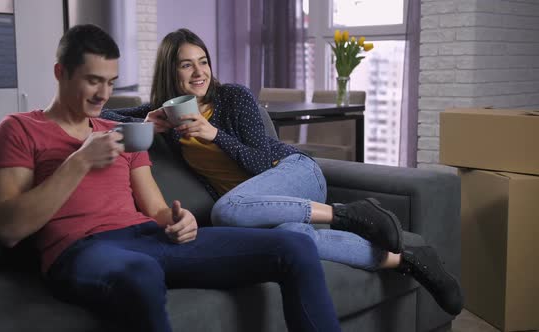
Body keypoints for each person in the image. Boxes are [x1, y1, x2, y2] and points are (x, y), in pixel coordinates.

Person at [0, 24, 343, 332]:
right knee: (140, 273)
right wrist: (79, 162)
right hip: (82, 249)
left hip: (149, 237)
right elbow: (9, 228)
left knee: (294, 248)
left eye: (110, 82)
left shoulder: (122, 131)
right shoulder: (18, 130)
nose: (104, 94)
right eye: (93, 81)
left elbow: (154, 207)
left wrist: (177, 219)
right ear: (60, 72)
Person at [101, 28, 464, 316]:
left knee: (225, 211)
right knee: (296, 240)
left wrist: (215, 135)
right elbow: (103, 117)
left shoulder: (234, 98)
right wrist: (146, 120)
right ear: (171, 71)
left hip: (295, 173)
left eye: (203, 61)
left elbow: (262, 162)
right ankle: (410, 260)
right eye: (186, 64)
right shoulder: (167, 111)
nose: (199, 72)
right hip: (264, 211)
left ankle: (348, 214)